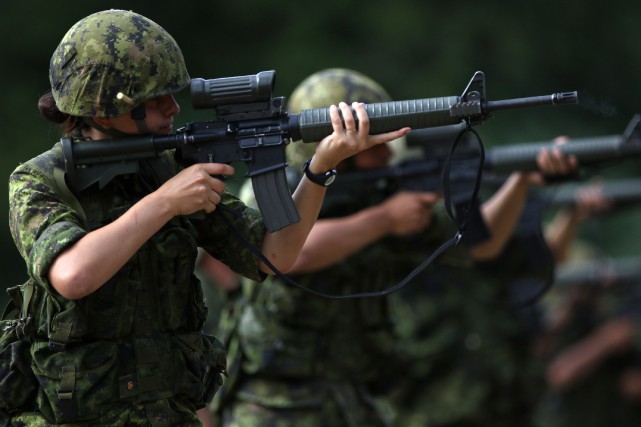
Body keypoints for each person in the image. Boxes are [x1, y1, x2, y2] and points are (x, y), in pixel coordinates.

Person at [4, 11, 408, 426]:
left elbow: (273, 255)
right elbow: (73, 274)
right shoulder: (40, 181)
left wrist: (320, 168)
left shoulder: (167, 169)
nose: (173, 107)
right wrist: (165, 203)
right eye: (156, 98)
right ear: (107, 108)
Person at [209, 68, 579, 427]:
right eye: (371, 141)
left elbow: (481, 244)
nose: (387, 151)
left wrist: (522, 179)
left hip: (359, 398)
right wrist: (383, 220)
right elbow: (292, 254)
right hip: (275, 402)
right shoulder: (273, 191)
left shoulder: (384, 193)